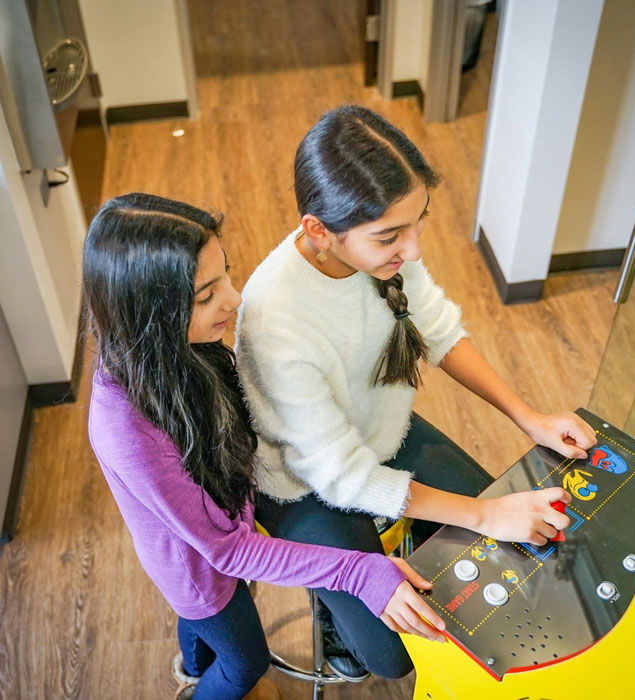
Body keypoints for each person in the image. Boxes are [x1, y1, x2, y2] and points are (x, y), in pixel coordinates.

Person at [235, 105, 595, 680]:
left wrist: (529, 419)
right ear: (319, 232)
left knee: (510, 550)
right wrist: (482, 513)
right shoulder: (273, 317)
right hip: (306, 482)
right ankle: (333, 609)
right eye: (390, 236)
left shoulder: (385, 258)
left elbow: (442, 330)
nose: (415, 249)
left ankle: (394, 556)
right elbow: (343, 477)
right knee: (394, 656)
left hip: (381, 437)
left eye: (418, 222)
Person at [84, 193, 445, 700]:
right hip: (198, 572)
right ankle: (199, 684)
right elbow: (228, 552)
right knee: (243, 662)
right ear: (151, 316)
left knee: (210, 625)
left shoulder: (183, 351)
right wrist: (359, 570)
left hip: (221, 531)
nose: (233, 299)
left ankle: (191, 665)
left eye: (224, 276)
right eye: (206, 295)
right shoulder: (125, 427)